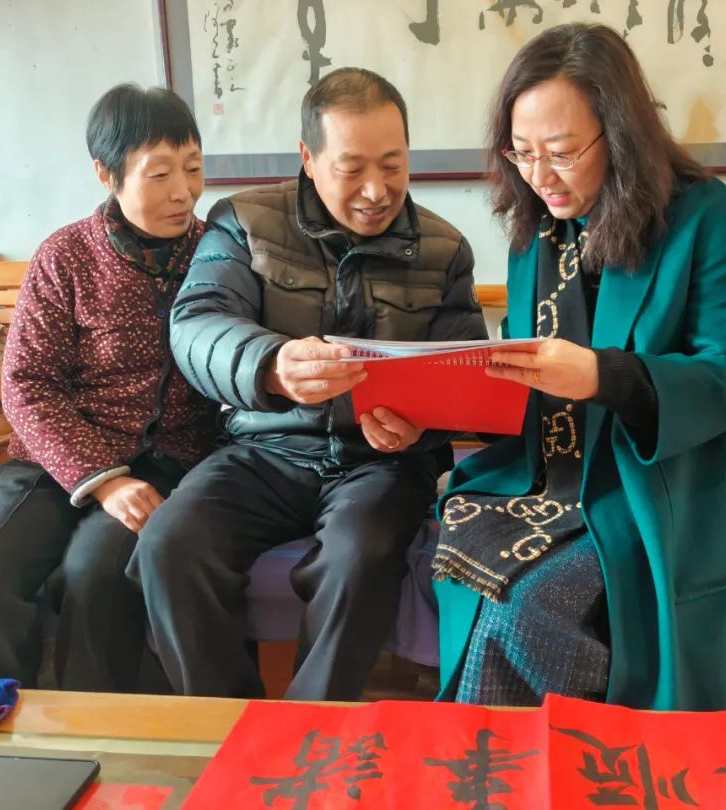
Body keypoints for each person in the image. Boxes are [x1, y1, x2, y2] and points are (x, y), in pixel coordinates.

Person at [432, 23, 726, 711]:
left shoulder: (699, 215)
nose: (540, 176)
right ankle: (545, 752)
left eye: (562, 152)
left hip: (660, 489)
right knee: (470, 568)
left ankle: (560, 753)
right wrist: (428, 410)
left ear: (620, 134)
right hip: (549, 480)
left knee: (522, 606)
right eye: (522, 153)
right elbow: (523, 389)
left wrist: (605, 377)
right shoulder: (533, 230)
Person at [128, 67, 487, 700]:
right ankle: (226, 725)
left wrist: (422, 425)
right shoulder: (245, 220)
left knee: (358, 557)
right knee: (171, 545)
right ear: (309, 158)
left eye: (393, 165)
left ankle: (307, 731)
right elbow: (197, 322)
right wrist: (270, 365)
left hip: (380, 463)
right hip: (265, 448)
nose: (377, 190)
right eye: (352, 168)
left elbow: (462, 371)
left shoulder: (444, 248)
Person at [0, 84, 216, 691]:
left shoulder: (217, 253)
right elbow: (26, 383)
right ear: (106, 174)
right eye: (159, 173)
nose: (183, 191)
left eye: (193, 168)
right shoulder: (65, 256)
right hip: (52, 460)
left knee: (95, 577)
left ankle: (94, 732)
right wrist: (103, 479)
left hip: (169, 460)